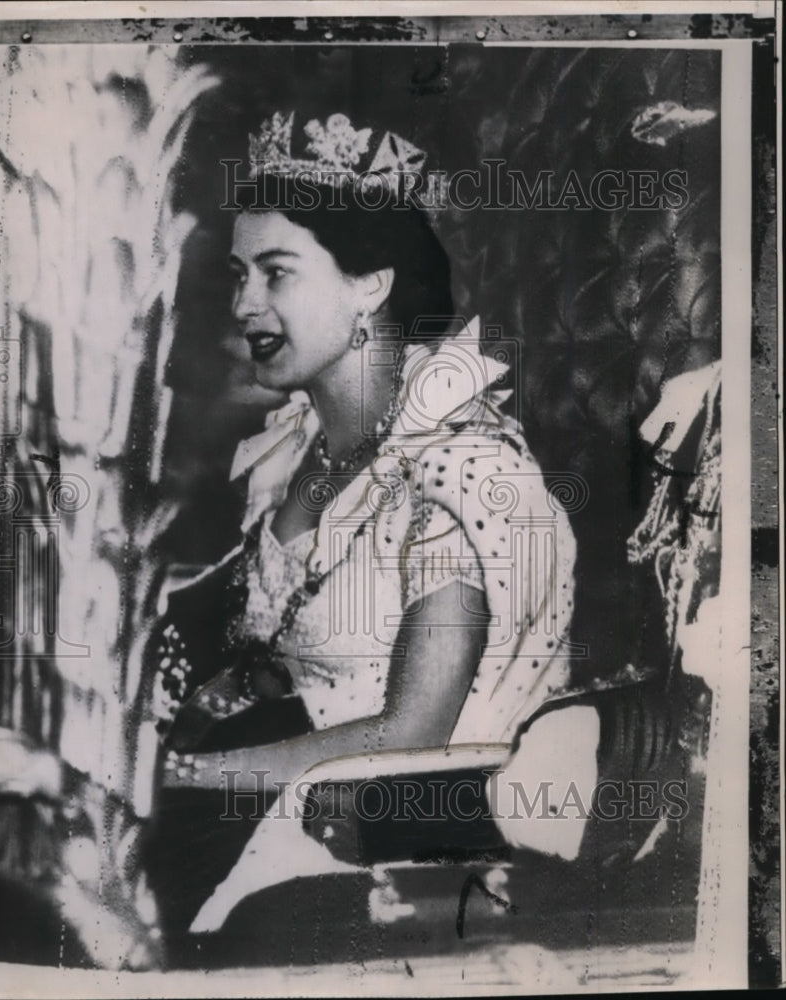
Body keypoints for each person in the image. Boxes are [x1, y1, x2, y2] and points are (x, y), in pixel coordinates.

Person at [142, 111, 580, 955]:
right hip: (285, 789)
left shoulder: (458, 472)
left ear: (370, 285)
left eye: (276, 273)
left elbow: (410, 733)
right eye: (238, 275)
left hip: (398, 831)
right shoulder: (308, 448)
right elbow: (250, 612)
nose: (243, 305)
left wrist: (188, 776)